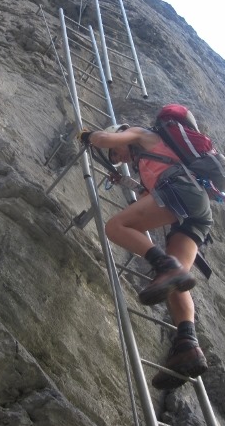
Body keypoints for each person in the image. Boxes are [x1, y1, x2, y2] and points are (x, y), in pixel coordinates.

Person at [79, 118, 212, 389]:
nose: (117, 157)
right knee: (177, 284)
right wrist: (127, 181)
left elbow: (103, 140)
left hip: (180, 192)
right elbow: (147, 201)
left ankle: (164, 264)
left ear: (123, 136)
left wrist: (89, 135)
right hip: (195, 212)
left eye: (117, 153)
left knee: (115, 227)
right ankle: (188, 345)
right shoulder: (147, 162)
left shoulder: (141, 133)